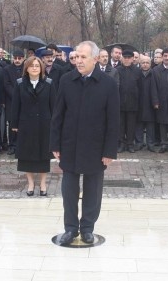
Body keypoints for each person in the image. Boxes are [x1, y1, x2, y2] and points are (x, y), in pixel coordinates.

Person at [50, 41, 119, 245]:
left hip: (96, 148)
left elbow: (113, 121)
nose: (78, 61)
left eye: (83, 57)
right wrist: (55, 144)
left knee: (93, 190)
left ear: (95, 59)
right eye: (76, 57)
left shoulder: (108, 84)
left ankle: (88, 228)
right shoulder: (66, 80)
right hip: (69, 145)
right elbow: (58, 114)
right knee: (69, 191)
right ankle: (70, 228)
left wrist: (109, 151)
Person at [11, 56, 56, 196]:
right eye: (32, 65)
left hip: (44, 125)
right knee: (26, 156)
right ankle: (30, 183)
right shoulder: (20, 84)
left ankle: (42, 183)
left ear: (41, 68)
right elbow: (15, 105)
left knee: (44, 156)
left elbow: (54, 106)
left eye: (37, 65)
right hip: (26, 125)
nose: (35, 68)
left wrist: (54, 124)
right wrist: (14, 124)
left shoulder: (49, 83)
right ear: (27, 68)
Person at [116, 49, 143, 153]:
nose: (127, 60)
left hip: (133, 104)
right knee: (121, 125)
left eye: (129, 58)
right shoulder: (118, 70)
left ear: (132, 59)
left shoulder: (137, 71)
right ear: (122, 58)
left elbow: (140, 88)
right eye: (125, 58)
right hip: (120, 103)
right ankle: (122, 143)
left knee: (131, 126)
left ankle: (130, 144)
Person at [3, 49, 25, 155]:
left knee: (23, 123)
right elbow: (6, 85)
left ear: (23, 59)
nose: (17, 60)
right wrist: (16, 96)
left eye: (19, 59)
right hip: (11, 101)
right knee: (12, 123)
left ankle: (21, 145)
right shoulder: (7, 69)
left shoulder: (26, 68)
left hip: (25, 101)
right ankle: (12, 145)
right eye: (15, 58)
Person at [135, 55, 156, 152]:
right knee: (138, 124)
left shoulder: (154, 74)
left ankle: (150, 143)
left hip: (150, 103)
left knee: (150, 125)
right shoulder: (137, 74)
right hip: (139, 103)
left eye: (147, 63)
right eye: (143, 62)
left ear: (150, 64)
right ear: (140, 63)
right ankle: (139, 143)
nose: (145, 64)